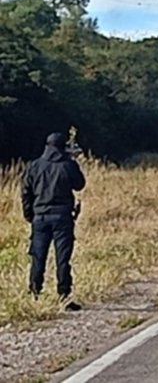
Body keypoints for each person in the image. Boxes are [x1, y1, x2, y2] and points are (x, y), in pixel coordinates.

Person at [21, 133, 86, 311]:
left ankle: (34, 292)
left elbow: (25, 192)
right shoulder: (68, 165)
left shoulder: (34, 166)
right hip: (63, 217)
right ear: (62, 147)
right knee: (63, 258)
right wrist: (73, 161)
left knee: (38, 256)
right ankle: (64, 295)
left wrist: (29, 215)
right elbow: (79, 185)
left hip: (40, 217)